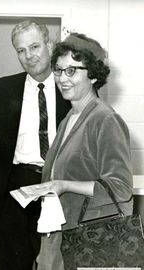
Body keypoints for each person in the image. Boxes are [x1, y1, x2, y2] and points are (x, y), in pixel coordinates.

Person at [0, 20, 71, 269]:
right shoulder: (3, 89)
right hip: (15, 189)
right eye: (21, 50)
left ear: (49, 44)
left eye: (34, 46)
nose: (29, 56)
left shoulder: (71, 86)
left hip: (60, 187)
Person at [33, 33, 133, 270]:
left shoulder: (104, 119)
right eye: (58, 70)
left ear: (94, 76)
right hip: (62, 233)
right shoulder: (69, 118)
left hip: (89, 241)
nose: (62, 78)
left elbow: (121, 188)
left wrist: (64, 185)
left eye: (72, 70)